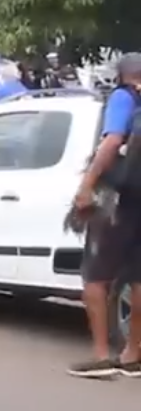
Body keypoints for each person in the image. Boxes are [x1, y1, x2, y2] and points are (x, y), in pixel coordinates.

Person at [68, 52, 141, 378]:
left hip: (120, 200)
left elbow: (112, 141)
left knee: (96, 276)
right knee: (139, 277)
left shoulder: (123, 98)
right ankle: (133, 353)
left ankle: (101, 356)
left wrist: (87, 186)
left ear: (121, 74)